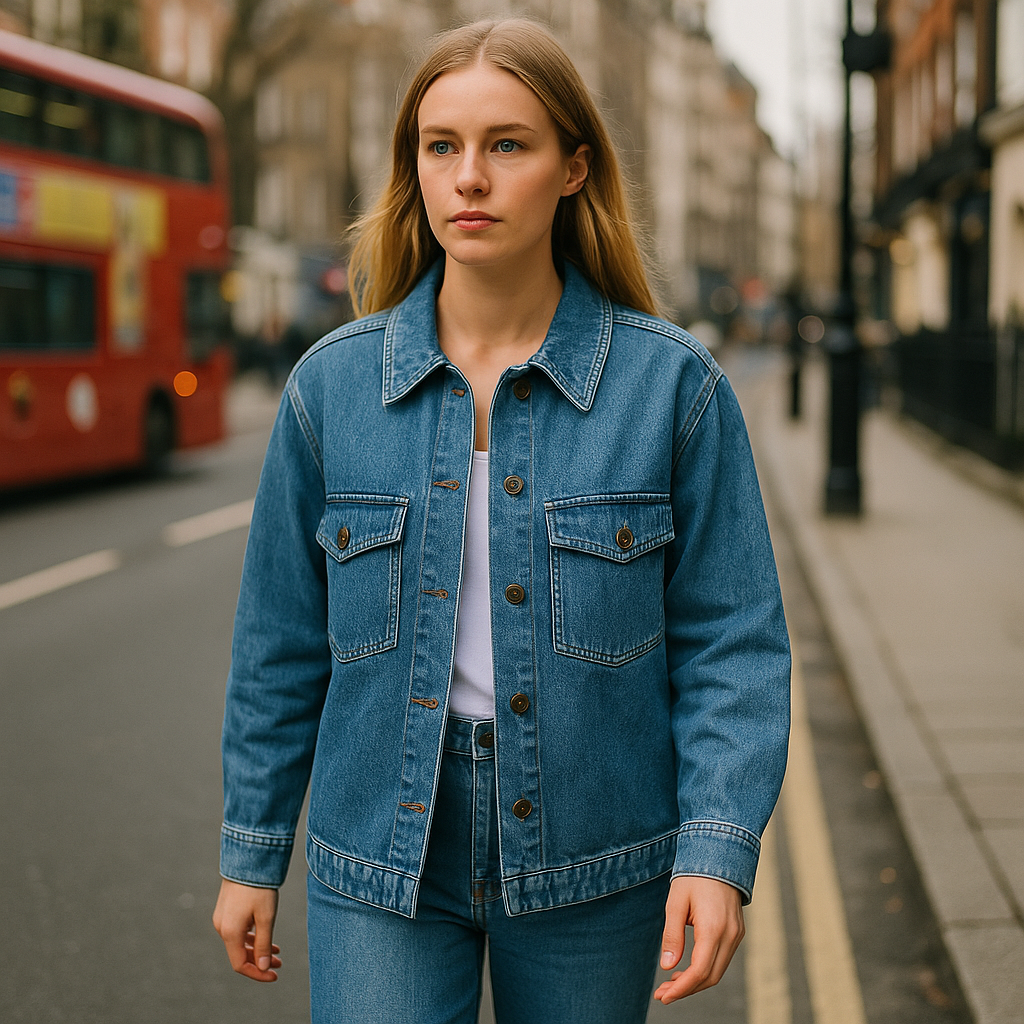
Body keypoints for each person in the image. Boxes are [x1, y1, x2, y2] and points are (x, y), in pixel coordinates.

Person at [212, 18, 790, 1024]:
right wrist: (251, 853)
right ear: (415, 169)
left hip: (592, 851)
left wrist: (716, 847)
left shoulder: (671, 389)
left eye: (506, 144)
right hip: (380, 858)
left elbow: (731, 643)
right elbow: (278, 648)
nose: (468, 177)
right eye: (442, 146)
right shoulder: (330, 390)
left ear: (573, 168)